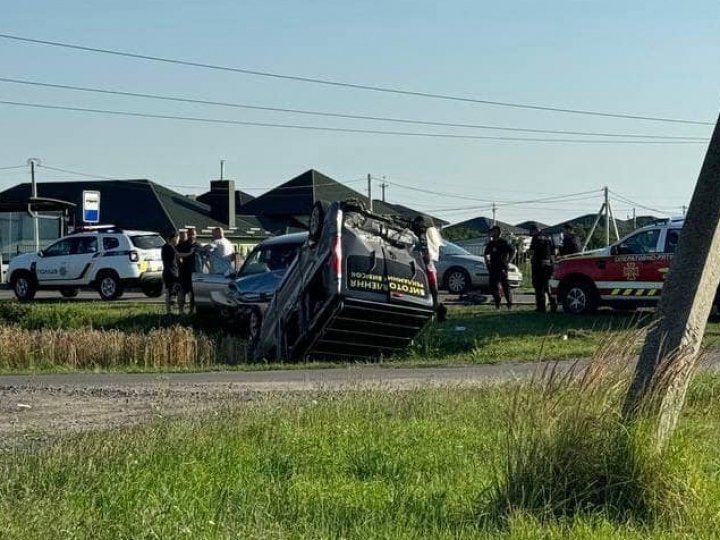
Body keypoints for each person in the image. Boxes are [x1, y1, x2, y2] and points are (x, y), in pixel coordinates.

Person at [483, 225, 515, 310]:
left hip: (502, 267)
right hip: (493, 267)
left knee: (505, 286)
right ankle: (497, 302)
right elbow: (486, 254)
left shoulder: (503, 242)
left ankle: (509, 304)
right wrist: (487, 263)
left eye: (493, 231)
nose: (491, 233)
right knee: (493, 286)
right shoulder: (491, 243)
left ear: (497, 232)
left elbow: (512, 251)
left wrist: (508, 261)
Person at [528, 223, 557, 312]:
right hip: (549, 265)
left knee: (539, 287)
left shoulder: (536, 238)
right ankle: (553, 305)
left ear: (534, 231)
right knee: (548, 286)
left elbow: (532, 251)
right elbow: (554, 251)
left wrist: (530, 256)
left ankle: (541, 307)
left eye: (531, 232)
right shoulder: (549, 236)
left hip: (539, 266)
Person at [177, 227, 201, 314]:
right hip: (184, 272)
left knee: (193, 293)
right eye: (190, 234)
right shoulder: (182, 245)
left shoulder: (198, 246)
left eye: (193, 234)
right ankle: (181, 311)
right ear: (187, 235)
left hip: (195, 273)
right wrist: (189, 254)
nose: (191, 236)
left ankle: (191, 310)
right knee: (182, 291)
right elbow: (178, 256)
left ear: (196, 235)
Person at [160, 231, 180, 314]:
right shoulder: (171, 247)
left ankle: (168, 311)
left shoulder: (164, 247)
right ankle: (173, 303)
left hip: (166, 271)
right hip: (172, 271)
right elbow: (178, 256)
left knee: (168, 291)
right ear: (174, 238)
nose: (178, 241)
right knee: (176, 288)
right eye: (177, 239)